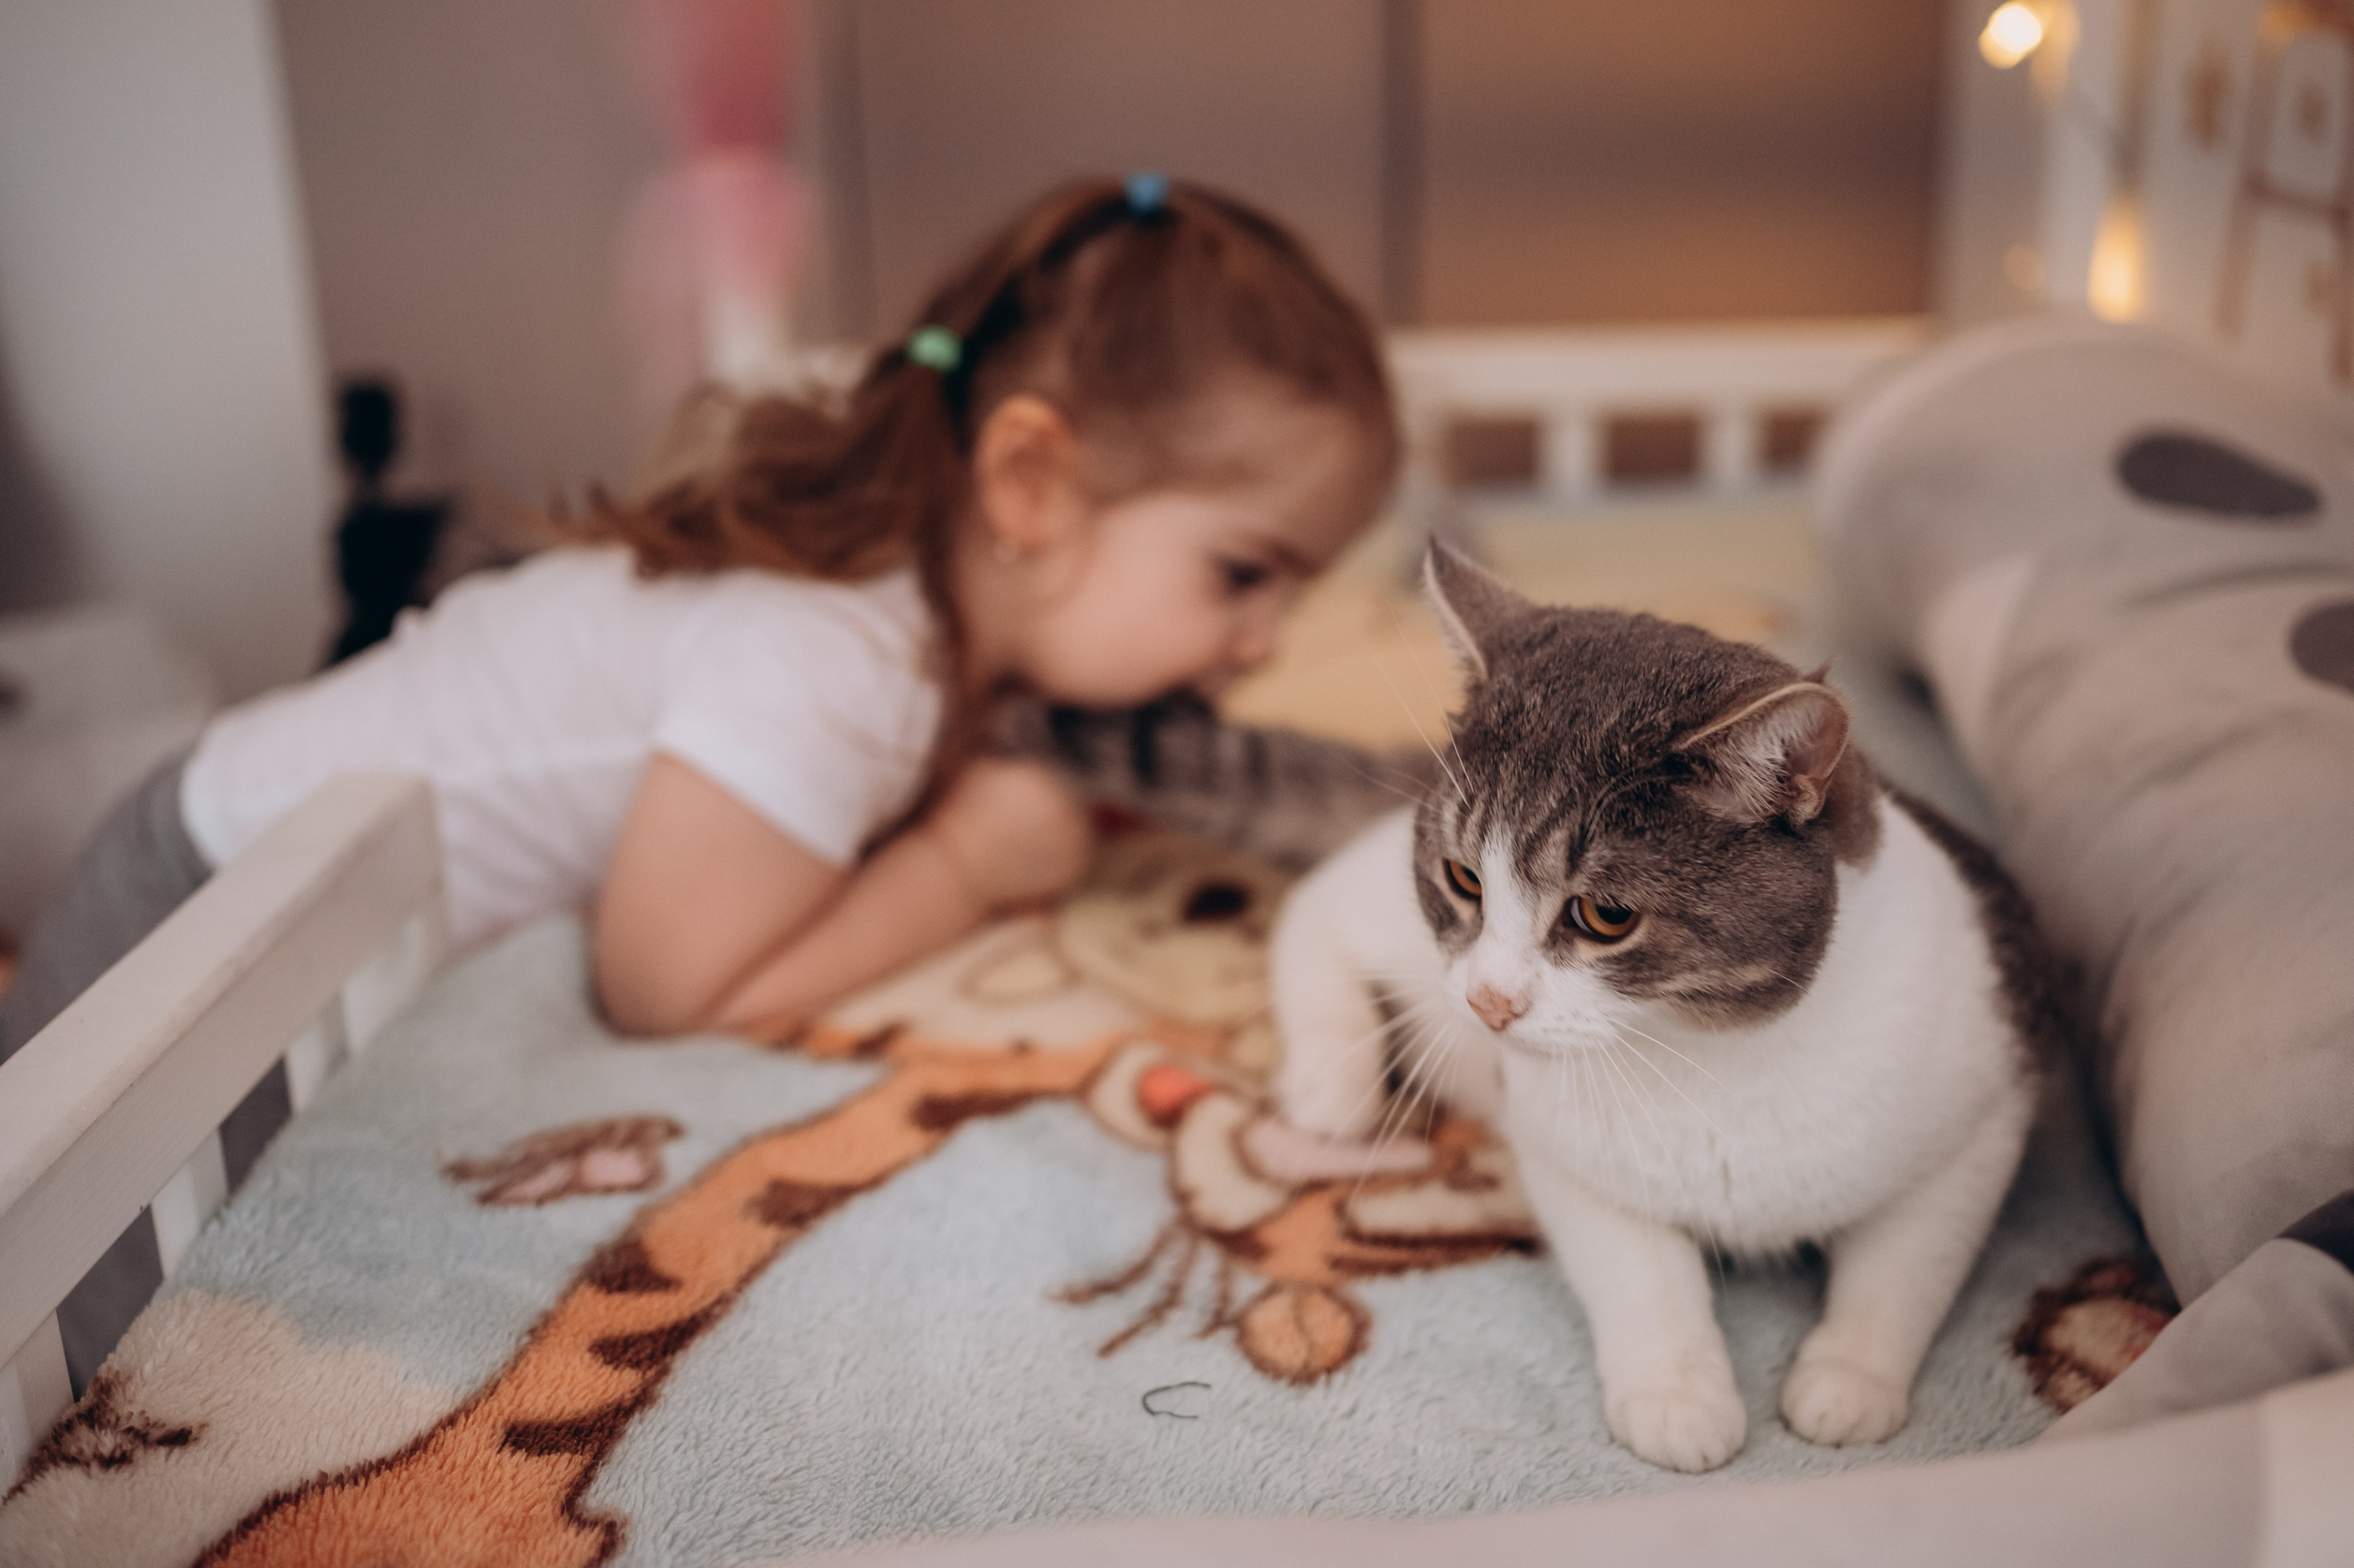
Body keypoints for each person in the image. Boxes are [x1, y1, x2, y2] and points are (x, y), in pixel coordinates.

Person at [0, 174, 1397, 1060]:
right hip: (206, 913)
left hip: (243, 879)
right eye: (1243, 574)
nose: (1264, 641)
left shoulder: (908, 620)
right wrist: (963, 865)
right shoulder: (838, 658)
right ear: (1029, 480)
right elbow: (666, 988)